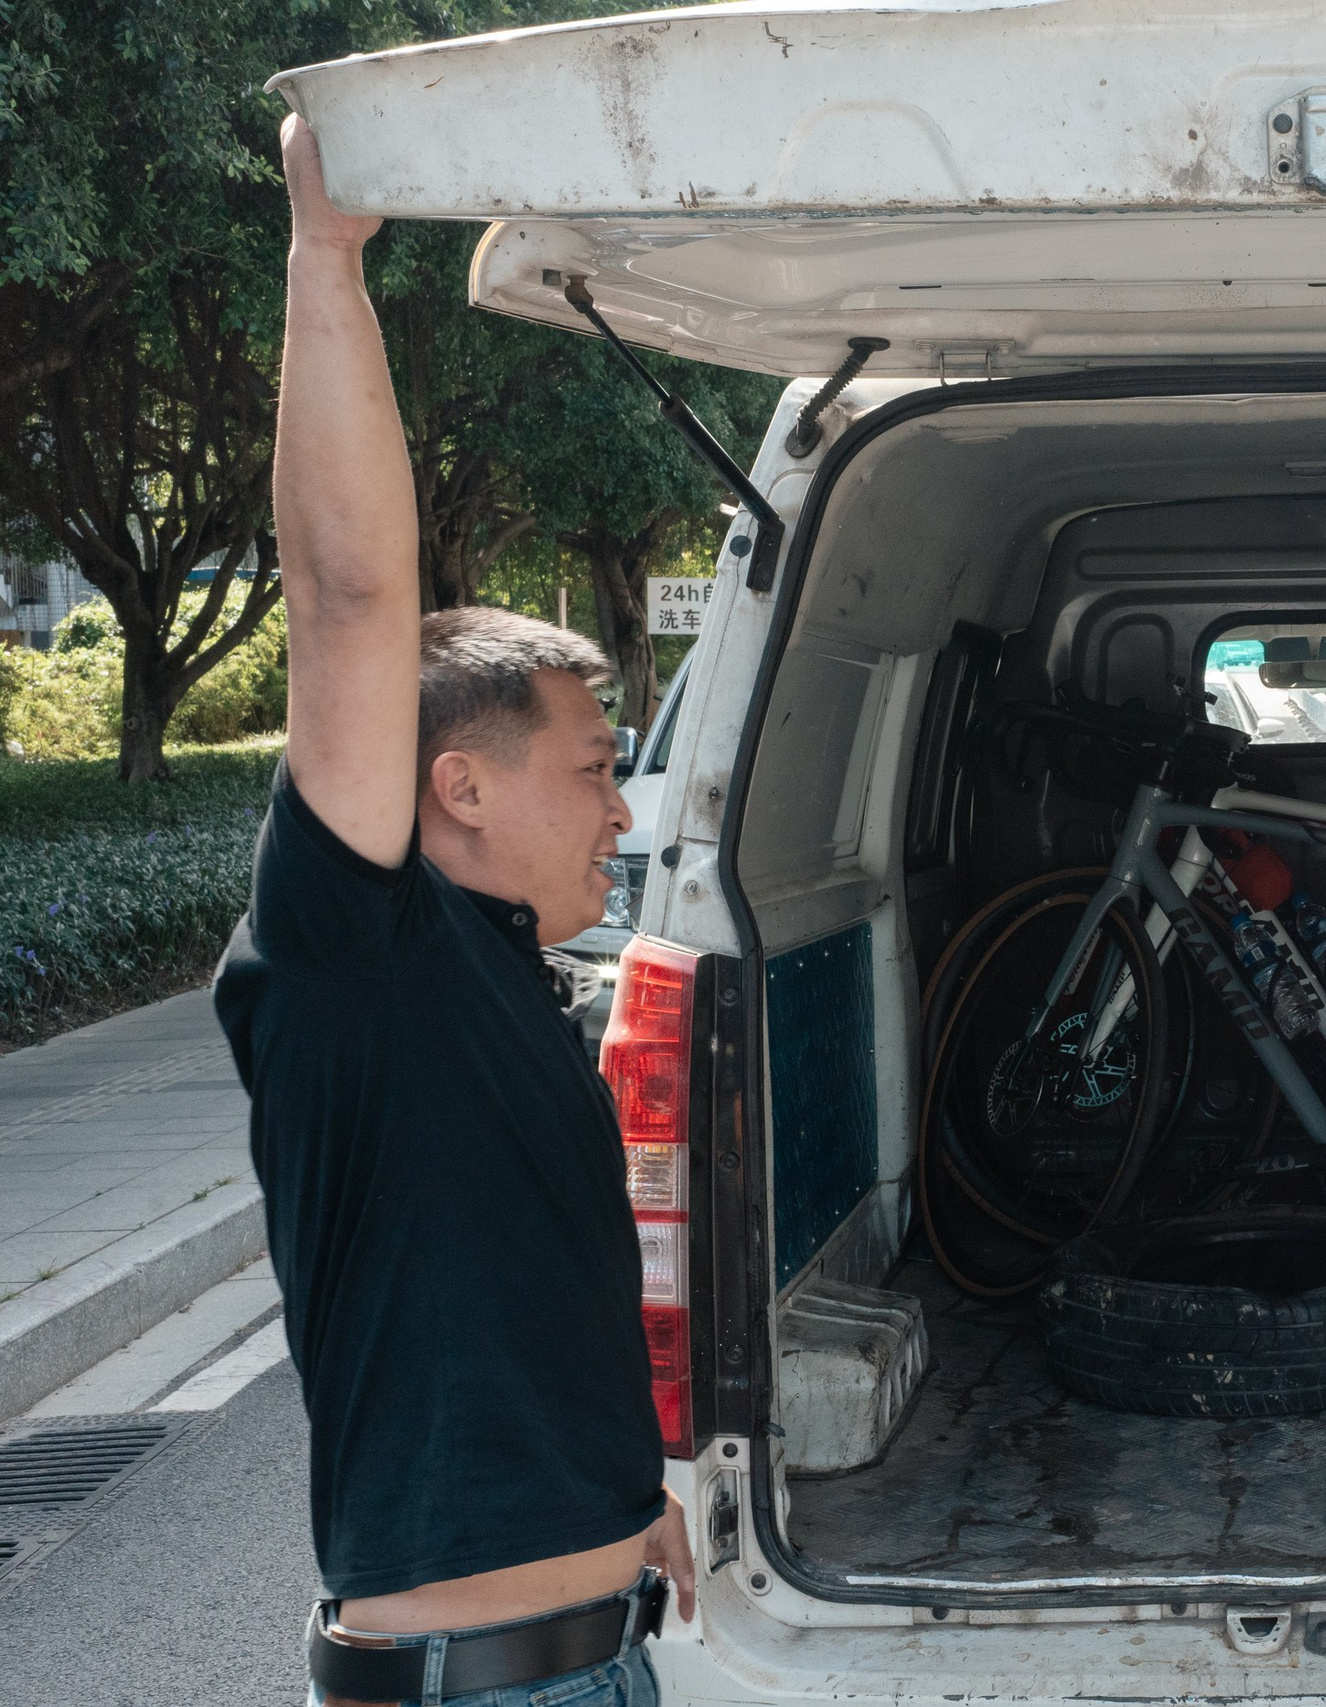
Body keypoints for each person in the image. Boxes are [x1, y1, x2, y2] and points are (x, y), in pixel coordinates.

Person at [213, 113, 694, 1707]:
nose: (625, 811)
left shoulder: (504, 974)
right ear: (459, 787)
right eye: (593, 767)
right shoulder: (357, 955)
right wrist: (328, 255)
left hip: (578, 1663)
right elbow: (352, 593)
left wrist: (636, 1513)